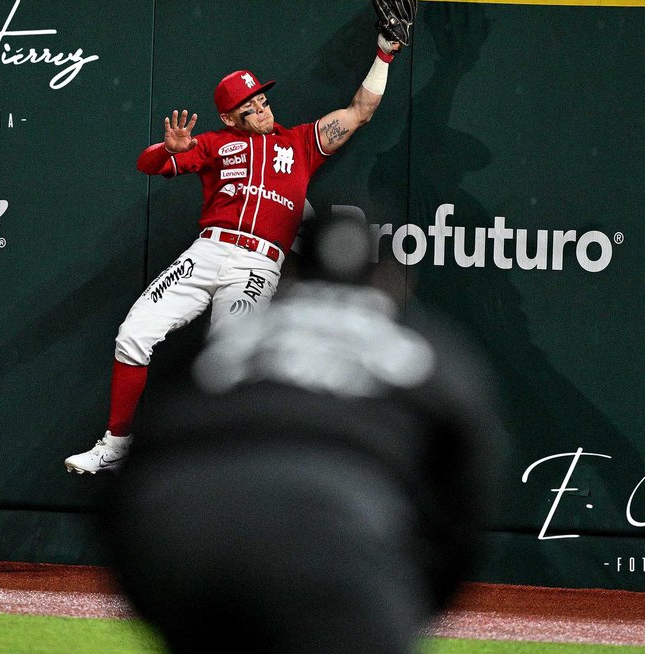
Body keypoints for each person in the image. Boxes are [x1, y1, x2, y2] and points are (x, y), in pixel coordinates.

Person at [97, 211, 502, 654]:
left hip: (182, 520)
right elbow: (469, 489)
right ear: (389, 279)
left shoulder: (224, 338)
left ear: (288, 273)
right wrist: (405, 602)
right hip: (335, 528)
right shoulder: (422, 345)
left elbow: (130, 459)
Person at [64, 31, 404, 474]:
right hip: (206, 252)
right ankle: (116, 444)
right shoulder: (213, 145)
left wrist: (384, 52)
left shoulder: (299, 144)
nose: (262, 109)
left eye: (263, 101)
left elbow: (360, 111)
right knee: (132, 334)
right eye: (250, 107)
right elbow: (148, 164)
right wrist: (168, 149)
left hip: (257, 263)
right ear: (230, 116)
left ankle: (228, 467)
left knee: (229, 365)